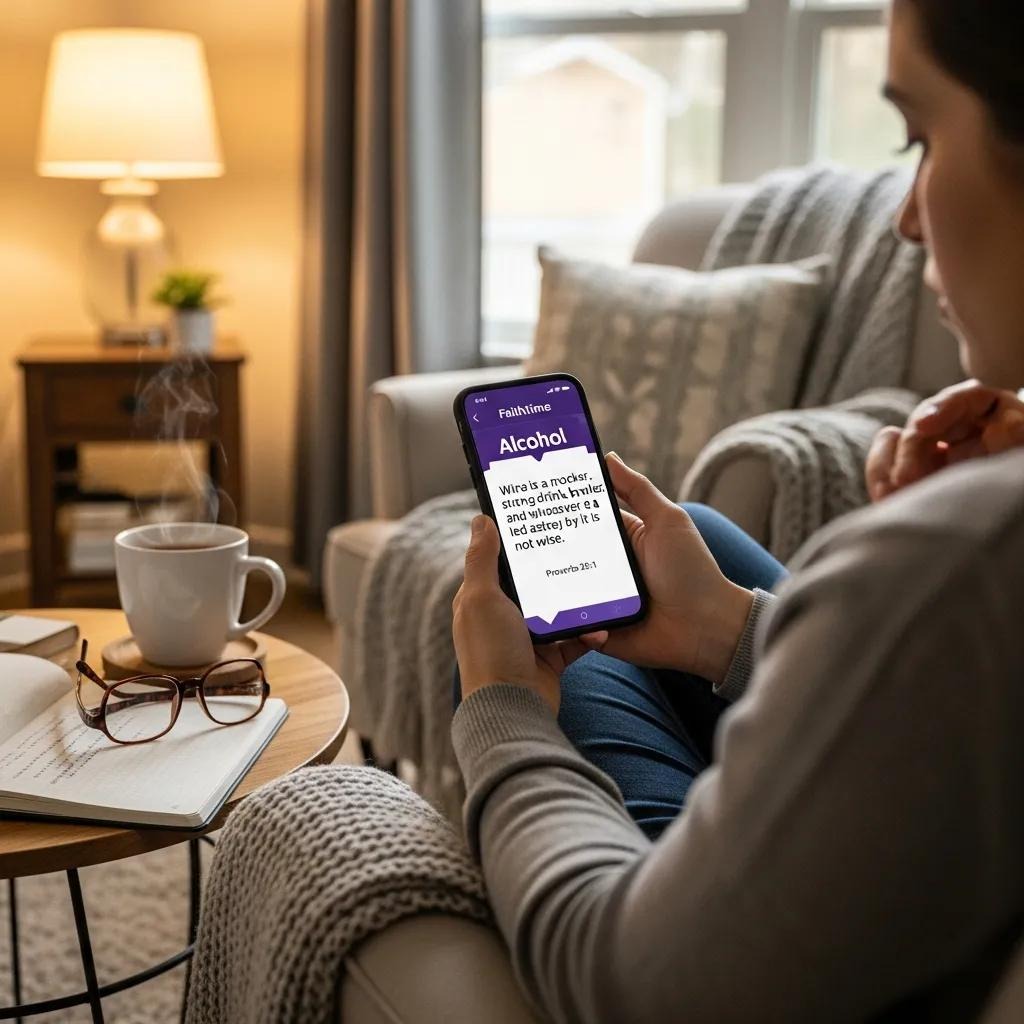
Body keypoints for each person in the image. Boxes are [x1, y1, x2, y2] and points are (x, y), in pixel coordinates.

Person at [448, 2, 1024, 1021]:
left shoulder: (966, 561)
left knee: (497, 679)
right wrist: (722, 629)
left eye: (922, 137)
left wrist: (499, 710)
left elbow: (620, 984)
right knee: (694, 543)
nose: (905, 218)